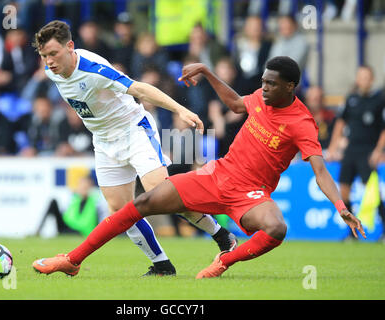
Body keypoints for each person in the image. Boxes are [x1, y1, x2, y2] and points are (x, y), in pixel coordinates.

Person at [32, 56, 366, 279]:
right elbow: (236, 104)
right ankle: (72, 260)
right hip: (217, 174)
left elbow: (320, 170)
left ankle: (225, 259)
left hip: (250, 194)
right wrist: (207, 72)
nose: (263, 88)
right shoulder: (262, 99)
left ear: (290, 87)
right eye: (263, 82)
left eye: (271, 84)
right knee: (144, 203)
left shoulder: (303, 123)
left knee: (277, 229)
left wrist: (340, 207)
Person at [31, 20, 237, 277]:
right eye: (44, 56)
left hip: (134, 132)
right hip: (104, 142)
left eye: (53, 54)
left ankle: (222, 237)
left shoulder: (93, 70)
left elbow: (139, 88)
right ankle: (162, 265)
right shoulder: (52, 71)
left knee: (163, 195)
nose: (49, 61)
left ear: (70, 47)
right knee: (119, 210)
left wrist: (180, 110)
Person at [326, 65, 385, 241]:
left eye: (367, 77)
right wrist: (333, 147)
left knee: (372, 193)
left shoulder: (379, 100)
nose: (364, 80)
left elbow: (383, 129)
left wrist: (378, 150)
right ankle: (352, 233)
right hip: (351, 150)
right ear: (357, 79)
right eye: (361, 77)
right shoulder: (351, 99)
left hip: (368, 151)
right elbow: (340, 124)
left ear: (372, 79)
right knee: (343, 192)